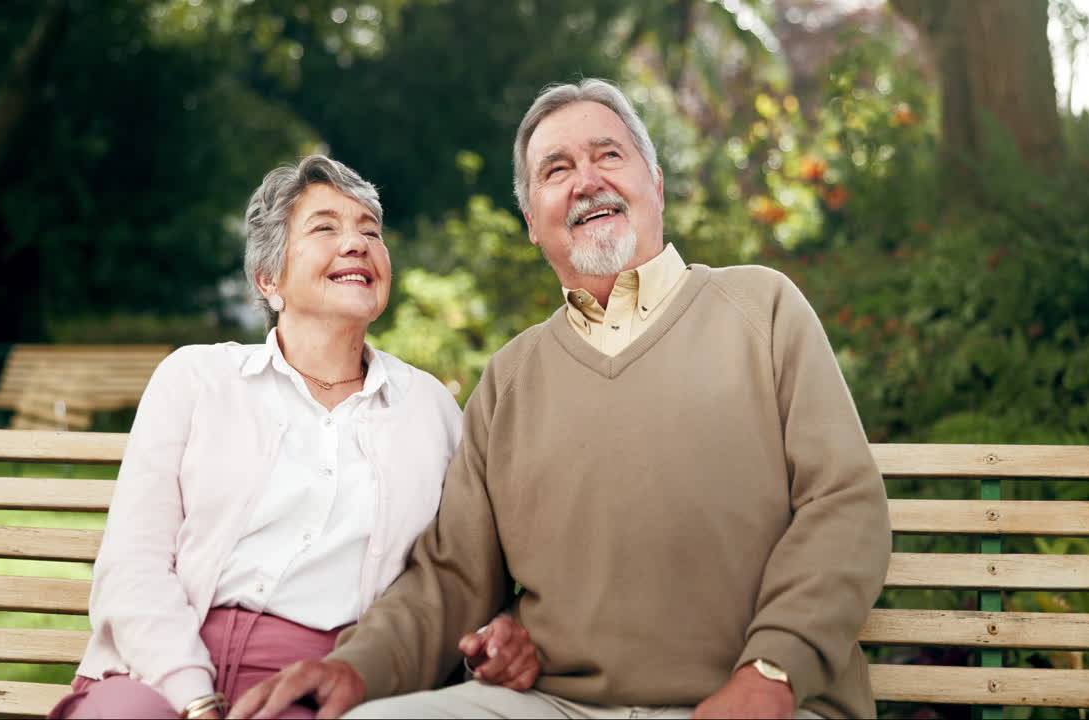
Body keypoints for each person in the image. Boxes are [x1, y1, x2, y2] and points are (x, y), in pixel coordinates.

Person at [230, 80, 892, 720]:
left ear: (655, 185)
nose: (587, 180)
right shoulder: (510, 379)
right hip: (556, 705)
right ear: (530, 223)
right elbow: (453, 578)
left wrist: (773, 673)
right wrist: (358, 667)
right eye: (556, 169)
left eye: (609, 154)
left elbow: (843, 505)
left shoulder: (762, 311)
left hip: (759, 702)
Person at [47, 154, 539, 720]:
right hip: (156, 668)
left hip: (314, 682)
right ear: (269, 278)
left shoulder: (427, 407)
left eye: (370, 232)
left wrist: (499, 630)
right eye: (326, 227)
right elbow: (132, 566)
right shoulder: (195, 378)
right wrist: (194, 695)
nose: (357, 244)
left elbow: (465, 562)